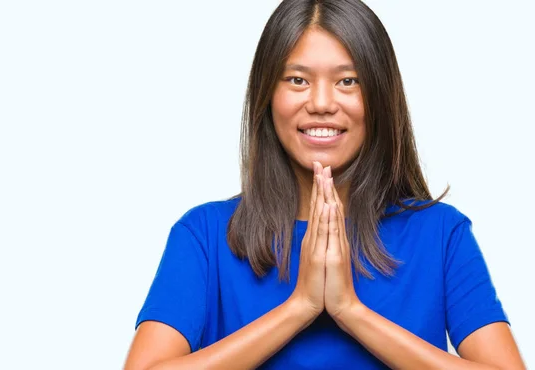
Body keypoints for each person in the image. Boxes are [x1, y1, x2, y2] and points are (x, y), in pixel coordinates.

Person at [124, 0, 525, 368]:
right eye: (297, 80)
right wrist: (299, 307)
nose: (320, 102)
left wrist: (351, 311)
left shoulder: (441, 233)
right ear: (267, 95)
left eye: (347, 81)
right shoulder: (206, 234)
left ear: (380, 97)